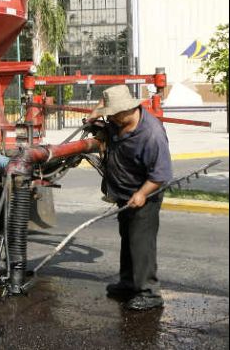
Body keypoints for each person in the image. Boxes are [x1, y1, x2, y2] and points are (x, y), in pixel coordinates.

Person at [87, 85, 173, 311]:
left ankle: (149, 292)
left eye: (114, 114)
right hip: (123, 194)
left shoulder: (151, 135)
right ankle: (128, 283)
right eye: (110, 114)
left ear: (129, 108)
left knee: (141, 243)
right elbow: (100, 112)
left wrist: (141, 194)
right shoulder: (119, 121)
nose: (111, 118)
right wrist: (95, 114)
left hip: (144, 193)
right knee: (128, 239)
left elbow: (161, 175)